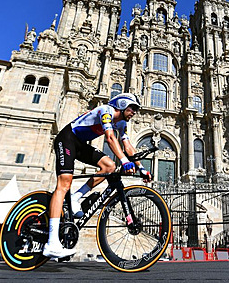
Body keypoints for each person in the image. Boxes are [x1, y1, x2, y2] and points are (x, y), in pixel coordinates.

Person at [43, 93, 152, 259]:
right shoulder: (106, 111)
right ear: (122, 105)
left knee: (109, 166)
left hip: (80, 145)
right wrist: (124, 161)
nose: (135, 112)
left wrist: (141, 167)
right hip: (67, 139)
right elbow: (109, 137)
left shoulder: (122, 123)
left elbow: (128, 146)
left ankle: (75, 197)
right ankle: (51, 243)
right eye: (133, 108)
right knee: (63, 184)